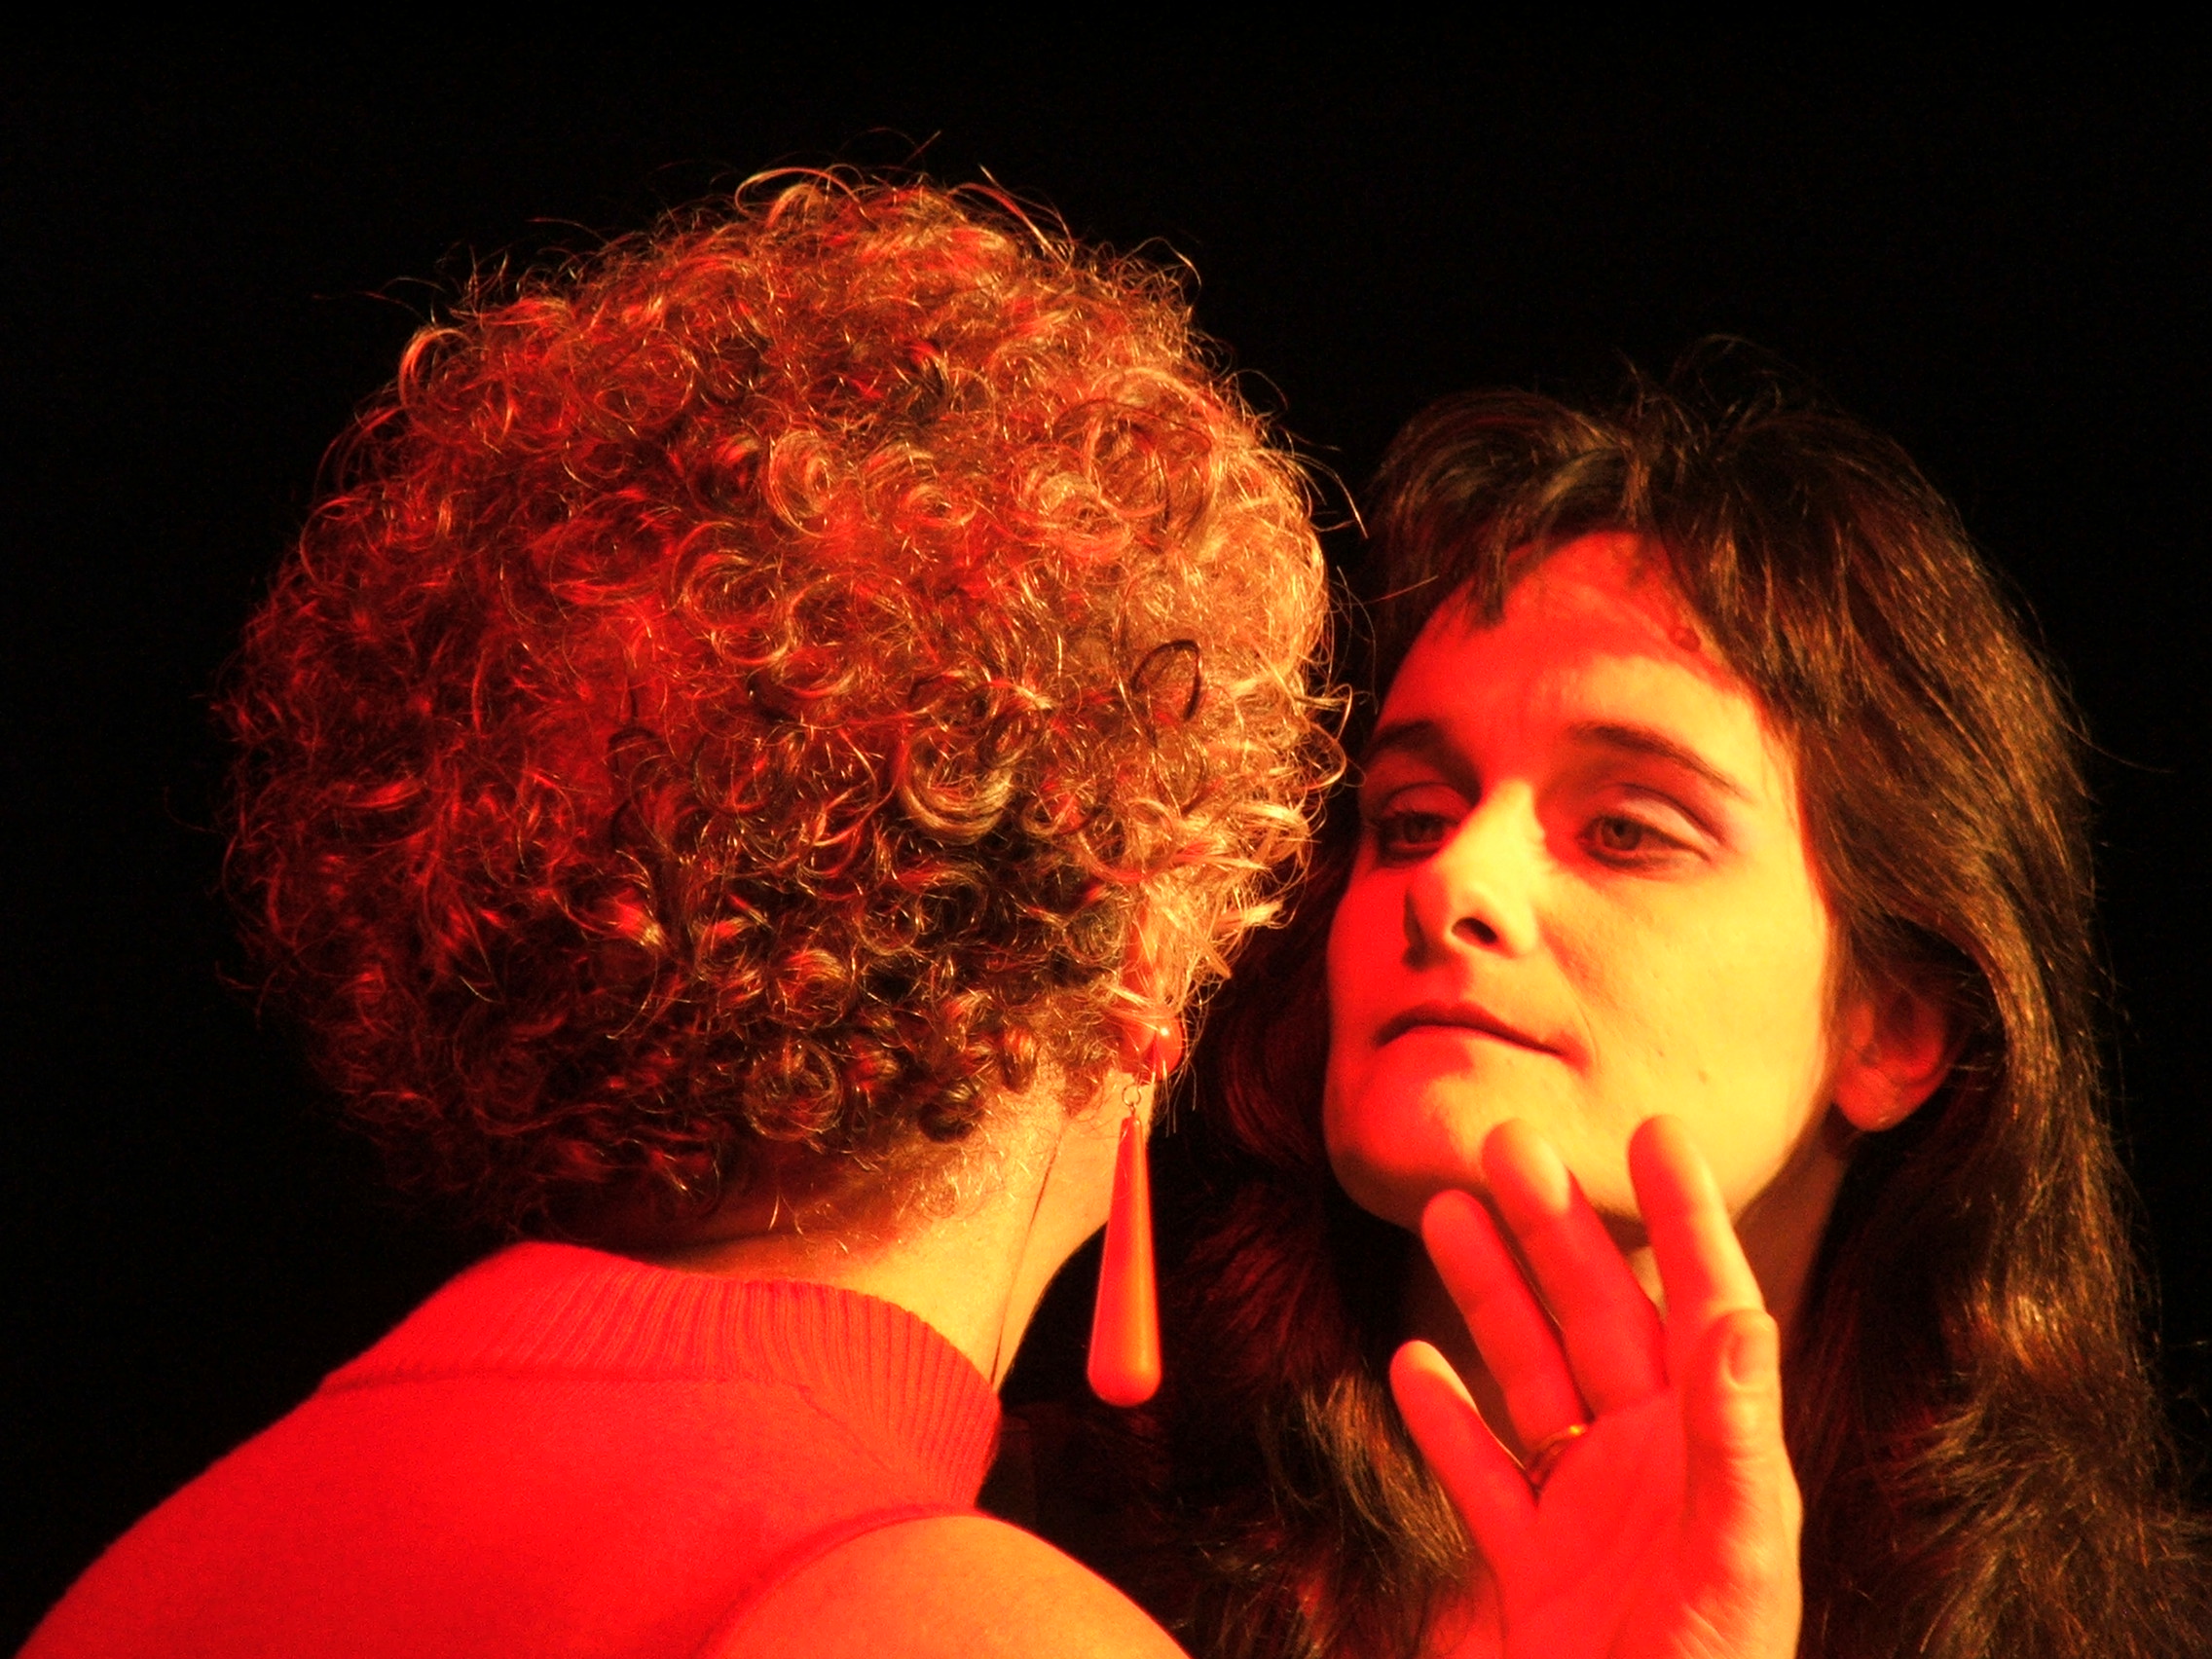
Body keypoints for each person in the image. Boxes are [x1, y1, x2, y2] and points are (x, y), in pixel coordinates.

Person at [17, 181, 1799, 1659]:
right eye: (1393, 823)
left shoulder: (159, 1567)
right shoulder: (939, 1620)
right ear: (1148, 944)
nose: (1457, 893)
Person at [1142, 360, 2210, 1658]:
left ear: (1899, 1026)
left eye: (1626, 830)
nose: (1455, 882)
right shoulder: (1047, 1564)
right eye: (1410, 819)